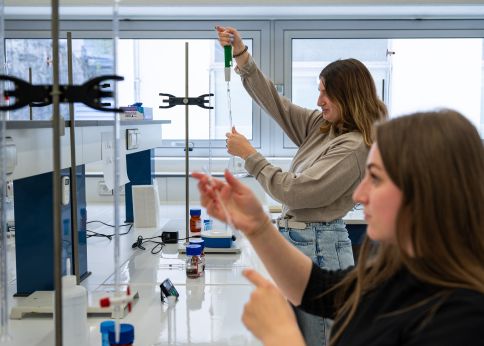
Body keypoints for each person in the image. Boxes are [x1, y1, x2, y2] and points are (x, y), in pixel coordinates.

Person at [193, 109, 484, 346]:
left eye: (376, 178)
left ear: (425, 191)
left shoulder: (464, 319)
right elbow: (318, 290)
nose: (359, 195)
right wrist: (257, 226)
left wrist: (282, 336)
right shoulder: (401, 271)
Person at [216, 25, 388, 344]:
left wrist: (250, 156)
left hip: (320, 247)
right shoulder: (325, 127)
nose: (318, 100)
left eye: (325, 92)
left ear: (348, 96)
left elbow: (295, 192)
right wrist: (241, 56)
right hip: (301, 242)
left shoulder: (353, 147)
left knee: (319, 340)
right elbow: (276, 104)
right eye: (319, 89)